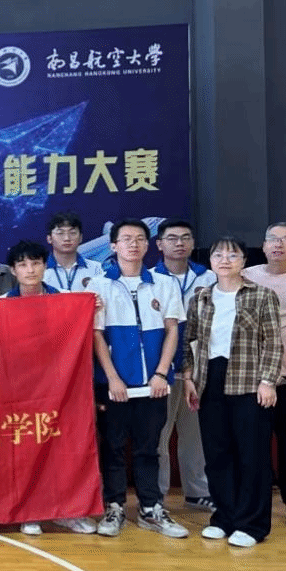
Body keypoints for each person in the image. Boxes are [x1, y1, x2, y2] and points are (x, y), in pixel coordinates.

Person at [87, 219, 188, 539]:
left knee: (149, 448)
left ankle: (150, 508)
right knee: (113, 447)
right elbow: (96, 335)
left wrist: (161, 373)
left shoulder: (164, 283)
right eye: (126, 239)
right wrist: (112, 379)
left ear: (148, 244)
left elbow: (172, 330)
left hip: (154, 385)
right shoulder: (97, 285)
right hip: (114, 385)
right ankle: (114, 506)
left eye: (140, 239)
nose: (133, 244)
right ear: (113, 246)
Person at [182, 237, 282, 547]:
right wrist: (189, 377)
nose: (225, 260)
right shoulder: (201, 297)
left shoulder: (262, 295)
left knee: (251, 455)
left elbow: (273, 342)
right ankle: (224, 518)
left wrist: (268, 381)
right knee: (217, 454)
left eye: (232, 255)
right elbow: (190, 340)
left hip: (249, 381)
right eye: (218, 255)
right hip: (210, 380)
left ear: (244, 260)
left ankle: (252, 525)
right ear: (210, 261)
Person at [0, 240, 98, 536]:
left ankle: (68, 511)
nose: (30, 270)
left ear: (45, 266)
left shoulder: (66, 301)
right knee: (23, 452)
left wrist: (91, 308)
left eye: (35, 263)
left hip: (60, 390)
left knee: (64, 451)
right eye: (23, 265)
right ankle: (30, 512)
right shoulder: (1, 303)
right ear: (13, 270)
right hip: (18, 392)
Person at [152, 219, 216, 512]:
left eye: (185, 237)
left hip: (197, 369)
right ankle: (156, 494)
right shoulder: (150, 278)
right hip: (161, 370)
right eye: (172, 238)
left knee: (195, 434)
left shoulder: (209, 277)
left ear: (192, 243)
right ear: (159, 244)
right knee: (159, 435)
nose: (179, 243)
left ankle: (197, 491)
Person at [241, 221, 286, 529]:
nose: (278, 244)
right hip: (253, 377)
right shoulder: (245, 276)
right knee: (254, 446)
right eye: (272, 239)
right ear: (263, 246)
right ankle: (255, 507)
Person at [43, 211, 103, 292]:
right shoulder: (39, 271)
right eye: (60, 233)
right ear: (49, 238)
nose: (67, 238)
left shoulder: (96, 269)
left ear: (80, 238)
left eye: (72, 233)